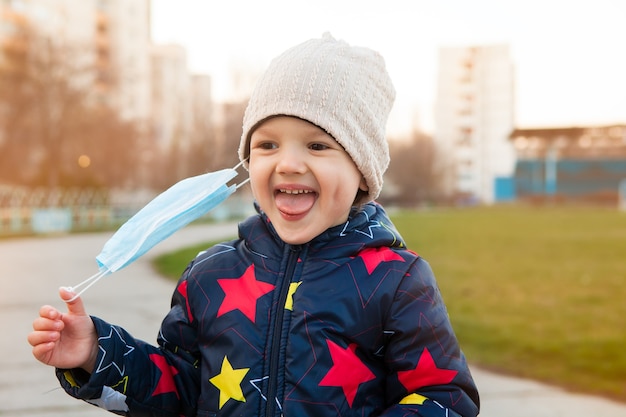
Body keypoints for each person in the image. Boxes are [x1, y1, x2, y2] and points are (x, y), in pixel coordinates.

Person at [28, 33, 480, 417]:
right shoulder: (208, 277)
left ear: (361, 169)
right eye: (267, 144)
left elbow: (446, 397)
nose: (288, 163)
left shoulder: (397, 280)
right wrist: (95, 354)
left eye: (318, 145)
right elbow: (177, 391)